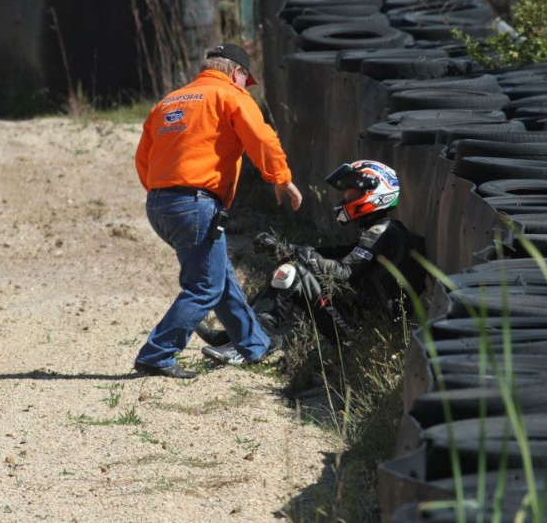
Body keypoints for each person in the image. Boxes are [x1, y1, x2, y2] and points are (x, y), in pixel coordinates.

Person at [133, 43, 303, 379]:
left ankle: (254, 345)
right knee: (204, 287)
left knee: (219, 277)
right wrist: (281, 178)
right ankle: (157, 353)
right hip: (195, 203)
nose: (245, 85)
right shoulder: (230, 95)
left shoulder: (169, 101)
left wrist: (166, 194)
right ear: (237, 73)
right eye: (245, 79)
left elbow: (143, 157)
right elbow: (263, 139)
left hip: (159, 203)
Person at [200, 160, 426, 364]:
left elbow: (344, 272)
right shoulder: (382, 230)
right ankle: (239, 334)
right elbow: (336, 254)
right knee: (291, 267)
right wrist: (286, 249)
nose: (345, 196)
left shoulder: (384, 232)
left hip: (365, 332)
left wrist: (296, 254)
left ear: (376, 192)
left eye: (352, 192)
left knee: (292, 272)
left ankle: (256, 344)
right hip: (359, 320)